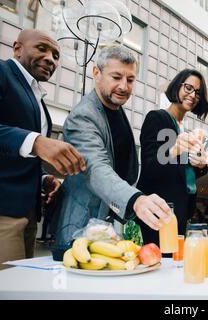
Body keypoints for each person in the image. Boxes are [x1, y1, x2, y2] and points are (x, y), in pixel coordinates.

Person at [53, 46, 171, 255]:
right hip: (79, 231)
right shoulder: (84, 116)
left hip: (107, 230)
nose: (124, 86)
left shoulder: (116, 110)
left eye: (130, 79)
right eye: (116, 77)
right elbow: (96, 168)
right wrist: (136, 200)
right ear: (96, 73)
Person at [0, 30, 86, 271]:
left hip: (29, 213)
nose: (50, 59)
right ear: (17, 48)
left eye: (55, 55)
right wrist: (36, 142)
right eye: (42, 49)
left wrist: (43, 178)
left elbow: (11, 156)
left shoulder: (37, 99)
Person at [137, 69, 208, 245]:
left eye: (198, 93)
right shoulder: (157, 118)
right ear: (177, 86)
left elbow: (182, 172)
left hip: (180, 210)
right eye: (188, 88)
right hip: (158, 211)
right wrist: (173, 150)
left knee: (174, 265)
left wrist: (200, 165)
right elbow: (149, 166)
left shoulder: (183, 129)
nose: (193, 95)